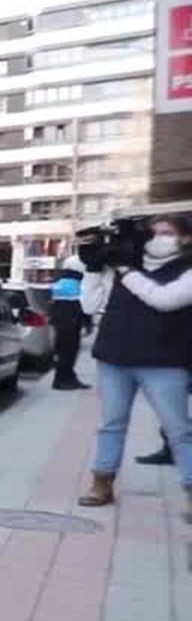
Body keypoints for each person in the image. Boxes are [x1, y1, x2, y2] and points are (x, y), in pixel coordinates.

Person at [76, 216, 192, 506]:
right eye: (153, 232)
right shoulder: (123, 261)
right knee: (111, 424)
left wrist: (125, 270)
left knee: (178, 429)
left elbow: (164, 299)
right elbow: (89, 306)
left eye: (166, 233)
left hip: (164, 362)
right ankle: (101, 482)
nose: (157, 238)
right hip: (115, 357)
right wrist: (93, 268)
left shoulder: (185, 270)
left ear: (185, 239)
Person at [49, 257, 90, 391]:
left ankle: (68, 377)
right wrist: (87, 322)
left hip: (60, 318)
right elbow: (85, 304)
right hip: (71, 319)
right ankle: (63, 380)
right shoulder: (77, 283)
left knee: (63, 350)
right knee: (69, 351)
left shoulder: (59, 282)